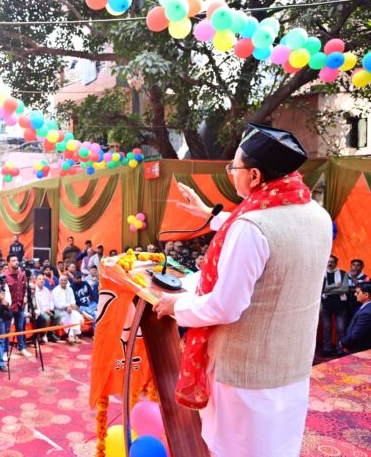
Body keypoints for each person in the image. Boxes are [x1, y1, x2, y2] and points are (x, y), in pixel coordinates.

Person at [153, 123, 331, 457]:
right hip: (291, 368)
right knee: (280, 447)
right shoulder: (316, 215)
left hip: (245, 376)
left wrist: (177, 305)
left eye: (233, 167)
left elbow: (225, 307)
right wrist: (209, 215)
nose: (230, 173)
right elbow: (278, 235)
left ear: (254, 176)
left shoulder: (251, 227)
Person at [3, 256, 32, 357]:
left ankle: (22, 348)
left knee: (20, 328)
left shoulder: (22, 274)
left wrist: (26, 296)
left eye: (17, 260)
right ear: (8, 263)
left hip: (20, 305)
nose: (16, 262)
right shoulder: (4, 276)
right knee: (6, 330)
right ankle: (5, 351)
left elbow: (25, 287)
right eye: (13, 260)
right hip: (9, 307)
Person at [321, 255, 349, 356]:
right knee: (326, 328)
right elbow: (320, 289)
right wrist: (336, 287)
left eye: (332, 261)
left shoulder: (343, 273)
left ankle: (340, 349)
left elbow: (344, 289)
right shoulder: (321, 274)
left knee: (340, 328)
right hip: (325, 305)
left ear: (336, 263)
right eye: (328, 261)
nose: (330, 263)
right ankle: (327, 349)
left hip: (340, 305)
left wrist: (327, 290)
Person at [338, 281, 371, 354]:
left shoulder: (366, 313)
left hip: (359, 349)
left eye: (358, 292)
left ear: (366, 295)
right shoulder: (366, 307)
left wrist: (342, 343)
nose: (355, 294)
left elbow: (356, 335)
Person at [51, 275, 83, 343]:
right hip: (59, 311)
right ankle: (72, 335)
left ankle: (73, 334)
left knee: (75, 314)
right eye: (62, 280)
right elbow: (57, 304)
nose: (63, 282)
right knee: (71, 314)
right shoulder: (55, 290)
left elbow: (72, 300)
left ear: (67, 281)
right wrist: (67, 307)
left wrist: (73, 305)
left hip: (70, 309)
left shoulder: (70, 289)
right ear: (59, 281)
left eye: (65, 280)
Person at [32, 274, 60, 343]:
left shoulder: (46, 290)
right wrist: (45, 310)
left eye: (43, 279)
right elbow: (37, 306)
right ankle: (44, 334)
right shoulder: (34, 291)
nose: (41, 280)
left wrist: (50, 309)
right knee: (47, 318)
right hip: (41, 311)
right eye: (39, 279)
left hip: (49, 309)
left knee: (58, 315)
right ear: (36, 281)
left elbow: (51, 301)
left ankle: (51, 333)